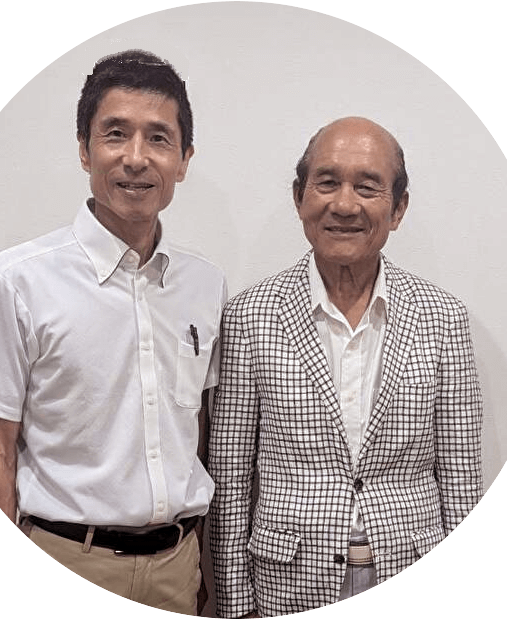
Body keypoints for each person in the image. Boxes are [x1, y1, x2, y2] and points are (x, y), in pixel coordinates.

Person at [0, 49, 227, 615]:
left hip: (177, 565)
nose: (135, 158)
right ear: (84, 149)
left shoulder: (205, 284)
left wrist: (202, 561)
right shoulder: (16, 280)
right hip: (67, 554)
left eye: (159, 138)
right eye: (115, 134)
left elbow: (197, 425)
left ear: (184, 160)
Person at [208, 117, 483, 617]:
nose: (345, 204)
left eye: (368, 187)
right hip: (286, 582)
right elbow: (230, 474)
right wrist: (235, 601)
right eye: (328, 182)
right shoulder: (250, 315)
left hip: (408, 555)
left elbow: (461, 475)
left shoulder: (444, 318)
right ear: (299, 197)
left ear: (398, 208)